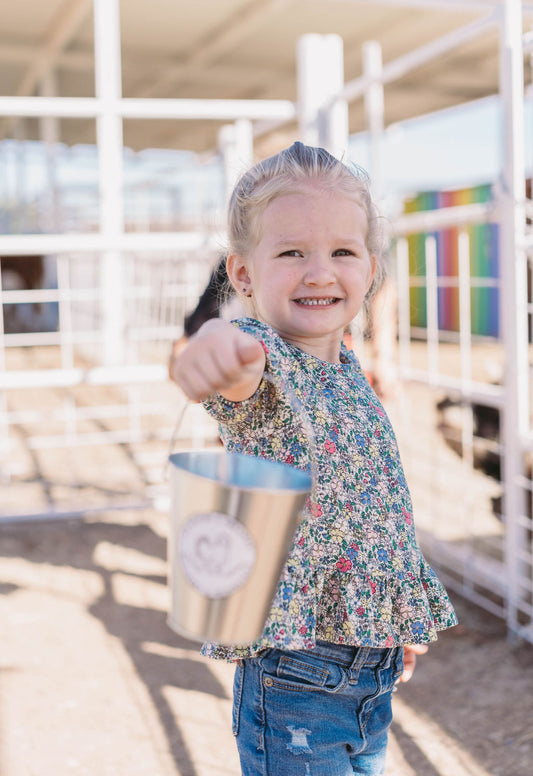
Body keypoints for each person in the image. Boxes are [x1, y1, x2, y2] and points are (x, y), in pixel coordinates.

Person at [170, 141, 457, 776]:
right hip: (295, 675)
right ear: (242, 274)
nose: (320, 271)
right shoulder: (264, 357)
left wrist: (387, 621)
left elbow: (373, 509)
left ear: (371, 268)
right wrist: (210, 347)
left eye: (342, 252)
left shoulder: (348, 368)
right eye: (292, 251)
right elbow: (231, 356)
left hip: (368, 665)